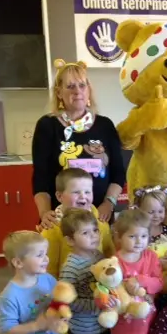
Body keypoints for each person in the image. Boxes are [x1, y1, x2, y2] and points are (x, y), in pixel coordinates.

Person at [32, 58, 125, 228]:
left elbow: (118, 173)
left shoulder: (105, 125)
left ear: (89, 91)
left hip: (99, 218)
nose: (77, 91)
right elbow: (41, 177)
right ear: (59, 93)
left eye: (82, 85)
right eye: (70, 86)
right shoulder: (47, 125)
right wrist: (45, 213)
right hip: (61, 220)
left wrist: (109, 204)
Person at [42, 168, 115, 278]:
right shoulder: (52, 228)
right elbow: (48, 269)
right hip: (68, 288)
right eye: (76, 192)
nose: (83, 196)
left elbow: (109, 253)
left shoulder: (100, 221)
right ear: (59, 196)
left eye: (87, 192)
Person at [136, 184, 167, 312]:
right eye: (151, 212)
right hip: (147, 283)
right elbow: (135, 258)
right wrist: (156, 263)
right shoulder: (139, 234)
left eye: (160, 211)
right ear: (139, 211)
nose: (156, 215)